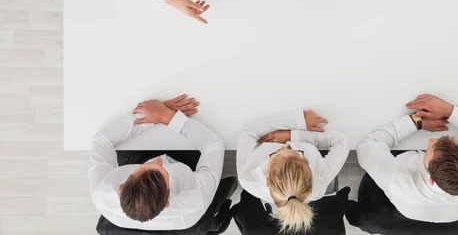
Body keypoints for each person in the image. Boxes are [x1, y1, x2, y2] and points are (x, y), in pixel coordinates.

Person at [355, 94, 458, 224]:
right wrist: (451, 111)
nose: (431, 141)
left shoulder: (399, 181)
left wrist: (416, 121)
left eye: (431, 148)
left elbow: (367, 145)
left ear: (432, 179)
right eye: (452, 139)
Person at [89, 94, 225, 230]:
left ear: (121, 186)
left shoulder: (103, 192)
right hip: (186, 164)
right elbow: (213, 145)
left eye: (145, 168)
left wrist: (152, 116)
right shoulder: (195, 196)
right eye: (163, 172)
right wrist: (169, 116)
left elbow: (102, 140)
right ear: (168, 202)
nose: (158, 160)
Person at [236, 110, 349, 233]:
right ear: (308, 168)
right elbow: (341, 141)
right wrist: (292, 136)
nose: (284, 146)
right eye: (294, 151)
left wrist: (297, 121)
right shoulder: (319, 178)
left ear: (267, 180)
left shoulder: (247, 177)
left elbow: (249, 131)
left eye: (275, 154)